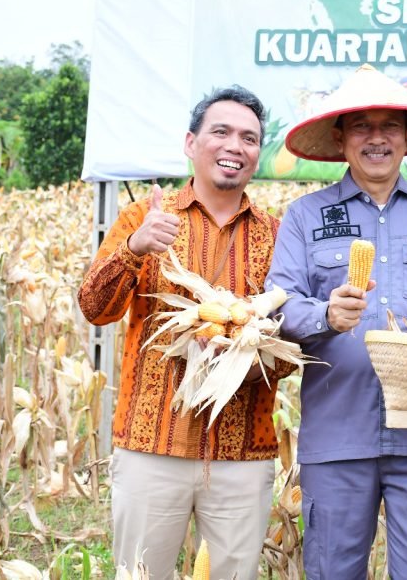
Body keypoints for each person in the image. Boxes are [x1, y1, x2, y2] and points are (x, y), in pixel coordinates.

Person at [265, 64, 407, 580]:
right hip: (338, 430)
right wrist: (325, 315)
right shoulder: (306, 217)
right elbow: (277, 306)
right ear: (341, 138)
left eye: (389, 126)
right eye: (361, 126)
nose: (376, 139)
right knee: (332, 571)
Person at [78, 86, 291, 580]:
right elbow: (94, 308)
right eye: (221, 132)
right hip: (152, 445)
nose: (235, 146)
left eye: (249, 138)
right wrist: (134, 247)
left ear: (258, 154)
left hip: (243, 451)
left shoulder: (276, 235)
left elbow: (290, 345)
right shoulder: (143, 219)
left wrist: (247, 343)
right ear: (191, 143)